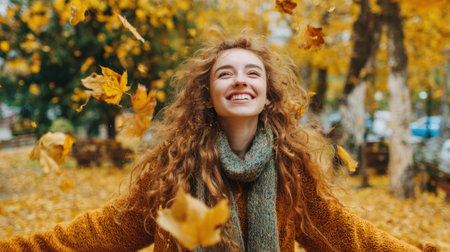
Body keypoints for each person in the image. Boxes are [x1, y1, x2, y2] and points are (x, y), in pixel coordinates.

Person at [0, 33, 439, 252]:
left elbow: (355, 239)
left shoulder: (292, 176)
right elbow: (97, 232)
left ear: (269, 94)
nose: (240, 80)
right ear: (207, 95)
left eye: (253, 73)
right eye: (225, 73)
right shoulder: (171, 172)